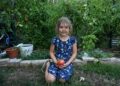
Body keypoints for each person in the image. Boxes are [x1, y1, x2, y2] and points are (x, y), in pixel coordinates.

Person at [45, 16, 77, 84]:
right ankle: (48, 66)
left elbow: (74, 53)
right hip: (56, 62)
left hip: (66, 63)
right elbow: (51, 52)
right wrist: (55, 61)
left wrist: (68, 63)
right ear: (58, 28)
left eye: (66, 27)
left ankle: (58, 74)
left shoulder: (72, 40)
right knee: (50, 81)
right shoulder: (55, 39)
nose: (63, 29)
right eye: (61, 27)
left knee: (62, 80)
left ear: (69, 28)